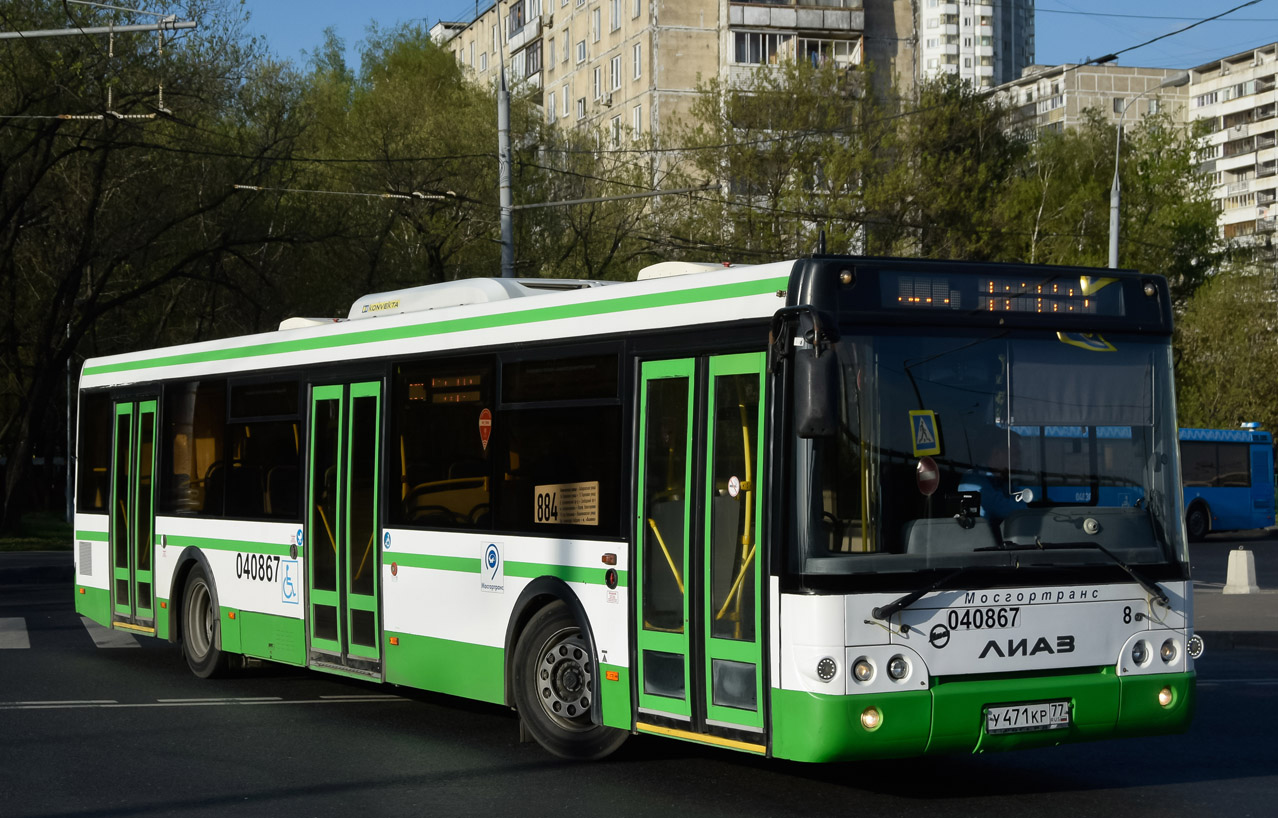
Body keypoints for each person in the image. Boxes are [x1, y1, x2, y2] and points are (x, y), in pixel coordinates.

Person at [957, 438, 1031, 526]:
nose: (1019, 461)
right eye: (1015, 455)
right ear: (997, 453)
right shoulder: (973, 480)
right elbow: (1003, 509)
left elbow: (1022, 508)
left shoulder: (1005, 480)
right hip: (980, 536)